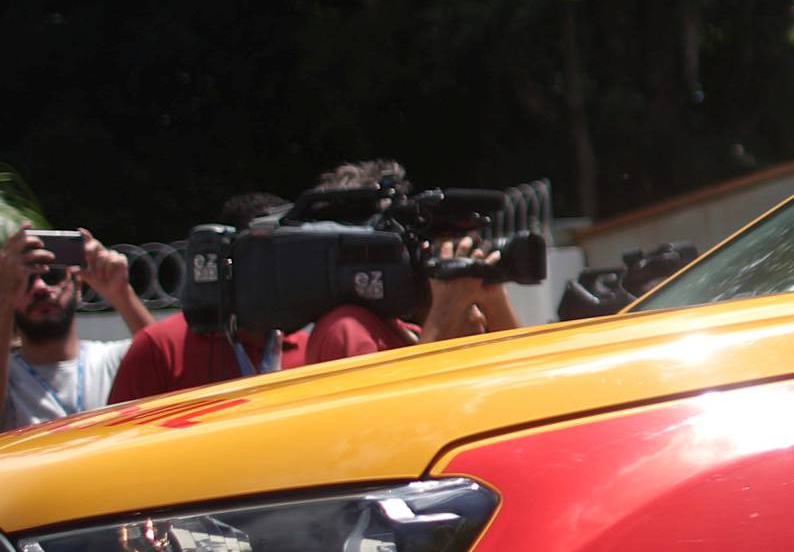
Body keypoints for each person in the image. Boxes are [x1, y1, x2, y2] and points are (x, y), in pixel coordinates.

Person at [300, 160, 521, 366]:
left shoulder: (405, 328)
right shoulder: (348, 328)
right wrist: (446, 312)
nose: (418, 247)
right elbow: (401, 406)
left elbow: (522, 376)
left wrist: (493, 300)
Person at [108, 193, 307, 403]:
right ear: (228, 260)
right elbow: (118, 434)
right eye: (271, 259)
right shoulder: (159, 348)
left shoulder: (308, 348)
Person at [1, 225, 155, 430]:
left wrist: (122, 294)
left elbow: (169, 370)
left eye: (53, 276)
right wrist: (4, 298)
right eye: (25, 281)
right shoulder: (9, 375)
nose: (40, 288)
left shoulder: (114, 359)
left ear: (78, 287)